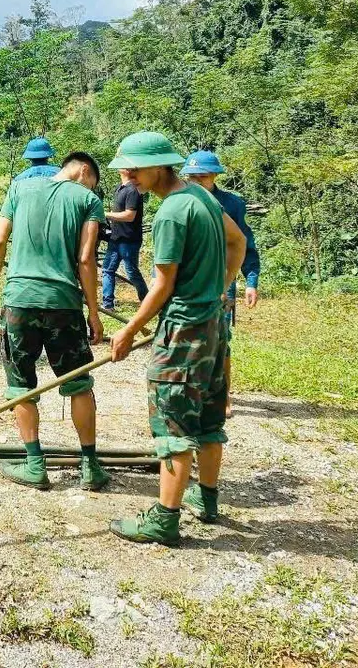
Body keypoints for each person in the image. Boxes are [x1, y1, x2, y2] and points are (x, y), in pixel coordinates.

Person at [105, 132, 247, 546]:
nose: (128, 175)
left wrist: (128, 329)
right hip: (214, 326)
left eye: (135, 168)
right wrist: (218, 288)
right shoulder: (202, 196)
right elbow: (238, 241)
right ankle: (208, 500)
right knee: (208, 417)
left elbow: (162, 285)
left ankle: (165, 521)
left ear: (160, 165)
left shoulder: (171, 212)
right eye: (125, 168)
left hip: (184, 331)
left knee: (173, 421)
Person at [0, 152, 110, 493]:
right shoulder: (88, 200)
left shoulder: (19, 189)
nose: (91, 188)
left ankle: (35, 465)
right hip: (63, 305)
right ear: (84, 170)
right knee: (78, 383)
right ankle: (90, 466)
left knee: (21, 385)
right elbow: (85, 259)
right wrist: (93, 312)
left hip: (18, 301)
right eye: (93, 182)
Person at [180, 150, 261, 418]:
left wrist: (251, 280)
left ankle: (223, 396)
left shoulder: (232, 204)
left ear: (215, 175)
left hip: (222, 281)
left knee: (220, 341)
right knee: (187, 337)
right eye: (192, 177)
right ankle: (191, 392)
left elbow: (245, 244)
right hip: (188, 281)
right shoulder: (180, 200)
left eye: (202, 177)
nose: (196, 181)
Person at [101, 174, 147, 308]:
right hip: (116, 238)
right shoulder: (120, 188)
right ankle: (108, 304)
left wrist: (105, 214)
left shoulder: (133, 190)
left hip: (129, 240)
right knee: (107, 270)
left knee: (132, 272)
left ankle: (147, 301)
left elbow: (129, 216)